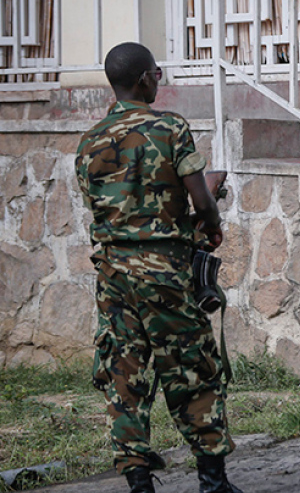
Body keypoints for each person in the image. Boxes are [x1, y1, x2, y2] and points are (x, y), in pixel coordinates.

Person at [76, 42, 243, 493]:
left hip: (113, 276)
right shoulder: (169, 127)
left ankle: (138, 482)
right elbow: (200, 197)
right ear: (145, 78)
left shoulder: (89, 141)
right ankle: (212, 481)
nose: (159, 79)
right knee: (191, 368)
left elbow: (110, 210)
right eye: (157, 73)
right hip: (163, 271)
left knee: (123, 374)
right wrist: (209, 224)